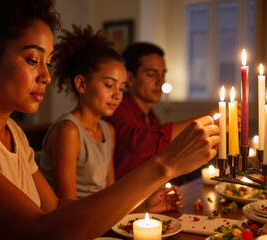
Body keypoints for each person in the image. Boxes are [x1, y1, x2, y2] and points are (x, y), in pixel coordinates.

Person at [0, 0, 220, 239]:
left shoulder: (12, 131)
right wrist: (164, 165)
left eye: (48, 62)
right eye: (32, 59)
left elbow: (54, 207)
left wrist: (141, 205)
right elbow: (41, 231)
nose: (45, 76)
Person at [38, 25, 182, 204]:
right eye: (108, 85)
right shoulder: (68, 131)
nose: (117, 95)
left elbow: (110, 197)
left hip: (98, 220)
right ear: (81, 84)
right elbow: (66, 210)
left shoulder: (108, 130)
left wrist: (146, 206)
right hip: (73, 226)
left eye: (121, 88)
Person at [105, 42, 218, 180]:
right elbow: (141, 141)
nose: (161, 81)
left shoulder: (151, 116)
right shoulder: (116, 109)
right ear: (129, 78)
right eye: (151, 74)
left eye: (163, 74)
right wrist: (209, 118)